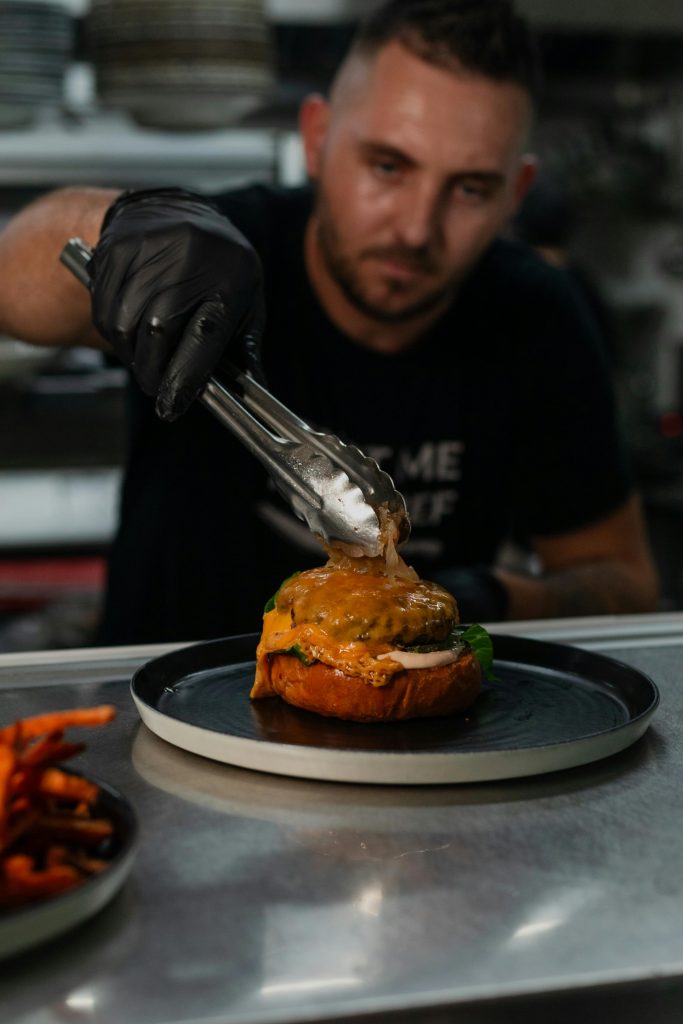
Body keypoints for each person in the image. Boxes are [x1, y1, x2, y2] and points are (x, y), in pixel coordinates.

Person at [0, 0, 659, 645]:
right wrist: (120, 226)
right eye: (387, 167)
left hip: (402, 731)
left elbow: (623, 584)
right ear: (316, 139)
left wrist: (491, 598)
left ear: (514, 195)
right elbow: (16, 272)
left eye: (469, 189)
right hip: (166, 704)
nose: (415, 229)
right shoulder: (230, 255)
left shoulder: (536, 315)